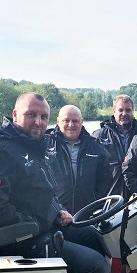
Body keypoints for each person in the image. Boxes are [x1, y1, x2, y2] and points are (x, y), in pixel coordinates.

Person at [0, 92, 107, 273]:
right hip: (19, 239)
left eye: (43, 116)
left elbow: (38, 194)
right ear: (15, 115)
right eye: (31, 114)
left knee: (95, 237)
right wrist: (36, 224)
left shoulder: (30, 147)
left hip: (40, 227)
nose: (38, 121)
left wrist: (57, 212)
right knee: (94, 264)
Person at [45, 104, 112, 256]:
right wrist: (55, 210)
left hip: (86, 219)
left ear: (82, 121)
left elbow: (104, 181)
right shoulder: (45, 143)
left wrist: (94, 205)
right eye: (66, 120)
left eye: (75, 121)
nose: (71, 125)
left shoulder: (95, 147)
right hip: (54, 220)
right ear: (57, 121)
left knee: (92, 258)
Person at [92, 94, 137, 198]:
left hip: (136, 200)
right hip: (107, 199)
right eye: (120, 110)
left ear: (133, 111)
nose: (124, 113)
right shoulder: (98, 136)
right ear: (114, 111)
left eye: (128, 110)